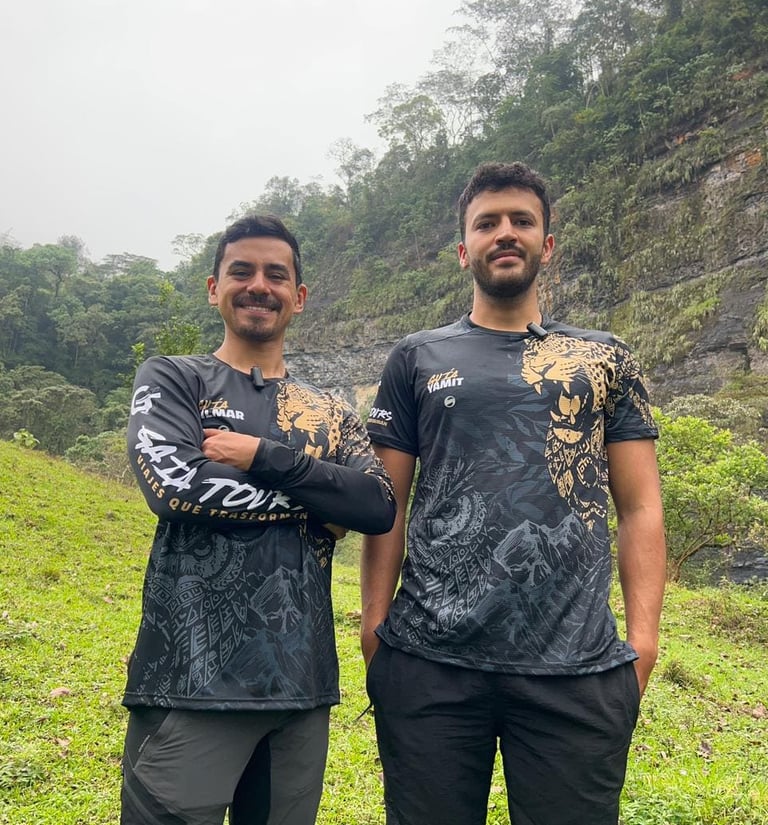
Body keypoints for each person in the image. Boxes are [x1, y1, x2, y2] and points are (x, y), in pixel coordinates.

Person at [361, 162, 666, 825]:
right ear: (463, 249)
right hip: (429, 661)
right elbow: (387, 502)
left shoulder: (605, 358)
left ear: (546, 244)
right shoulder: (415, 357)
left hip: (577, 668)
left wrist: (643, 643)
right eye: (487, 223)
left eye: (521, 221)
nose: (505, 233)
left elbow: (640, 506)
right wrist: (373, 628)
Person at [121, 214, 395, 825]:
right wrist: (319, 499)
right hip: (188, 682)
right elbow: (174, 487)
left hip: (300, 689)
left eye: (276, 275)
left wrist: (264, 458)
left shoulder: (328, 410)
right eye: (241, 271)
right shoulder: (174, 378)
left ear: (299, 296)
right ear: (213, 287)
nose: (258, 286)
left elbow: (377, 506)